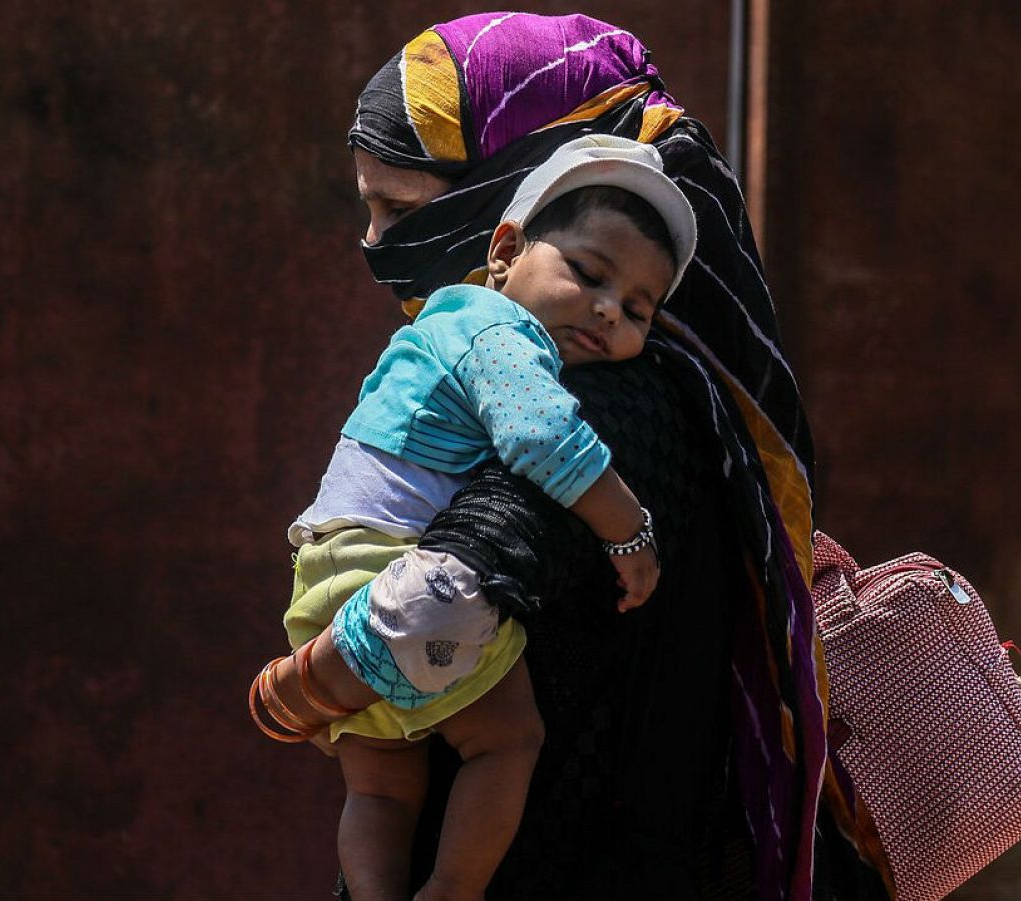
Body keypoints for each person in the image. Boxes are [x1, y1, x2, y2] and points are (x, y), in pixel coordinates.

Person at [295, 12, 898, 901]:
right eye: (368, 209)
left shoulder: (605, 388)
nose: (378, 246)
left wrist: (311, 676)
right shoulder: (603, 372)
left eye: (403, 210)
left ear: (510, 204)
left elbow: (481, 554)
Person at [251, 135, 701, 901]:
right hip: (403, 574)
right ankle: (452, 889)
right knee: (508, 742)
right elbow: (545, 438)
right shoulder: (499, 331)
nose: (605, 310)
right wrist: (628, 528)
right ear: (504, 250)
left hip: (322, 564)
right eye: (588, 274)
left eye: (636, 309)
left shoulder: (432, 329)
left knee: (383, 789)